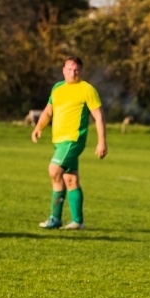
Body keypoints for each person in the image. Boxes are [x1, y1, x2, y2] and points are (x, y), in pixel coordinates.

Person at [31, 56, 107, 230]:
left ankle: (55, 218)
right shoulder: (57, 88)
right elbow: (48, 111)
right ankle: (77, 221)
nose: (73, 73)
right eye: (70, 69)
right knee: (70, 179)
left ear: (81, 71)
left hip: (73, 140)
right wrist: (38, 127)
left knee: (54, 170)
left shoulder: (87, 89)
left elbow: (98, 116)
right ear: (63, 70)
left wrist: (101, 142)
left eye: (77, 70)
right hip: (59, 141)